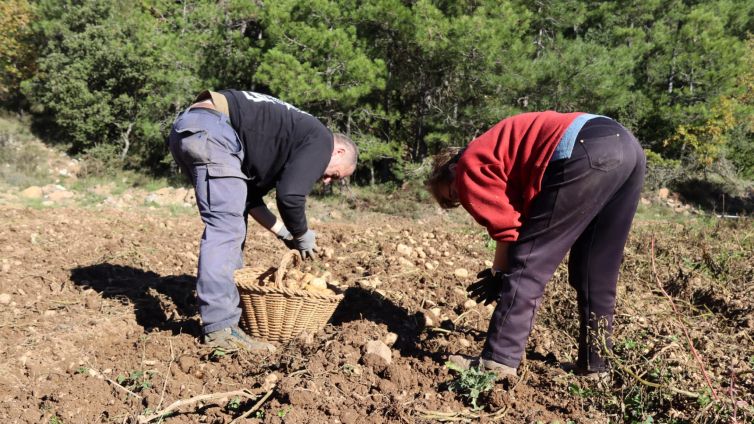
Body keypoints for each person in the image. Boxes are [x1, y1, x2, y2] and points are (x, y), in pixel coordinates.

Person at [426, 112, 645, 378]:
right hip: (627, 148)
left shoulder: (469, 165)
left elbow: (511, 235)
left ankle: (497, 361)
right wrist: (499, 271)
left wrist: (502, 272)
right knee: (595, 270)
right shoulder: (497, 155)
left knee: (530, 263)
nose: (463, 197)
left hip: (586, 147)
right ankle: (596, 366)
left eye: (453, 193)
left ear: (451, 170)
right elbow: (514, 221)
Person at [167, 90, 358, 352]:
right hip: (213, 129)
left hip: (192, 127)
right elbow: (290, 196)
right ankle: (221, 330)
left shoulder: (286, 140)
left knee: (232, 223)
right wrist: (302, 234)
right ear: (339, 150)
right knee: (226, 229)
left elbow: (248, 199)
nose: (327, 181)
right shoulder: (322, 139)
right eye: (335, 176)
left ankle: (230, 316)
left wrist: (284, 234)